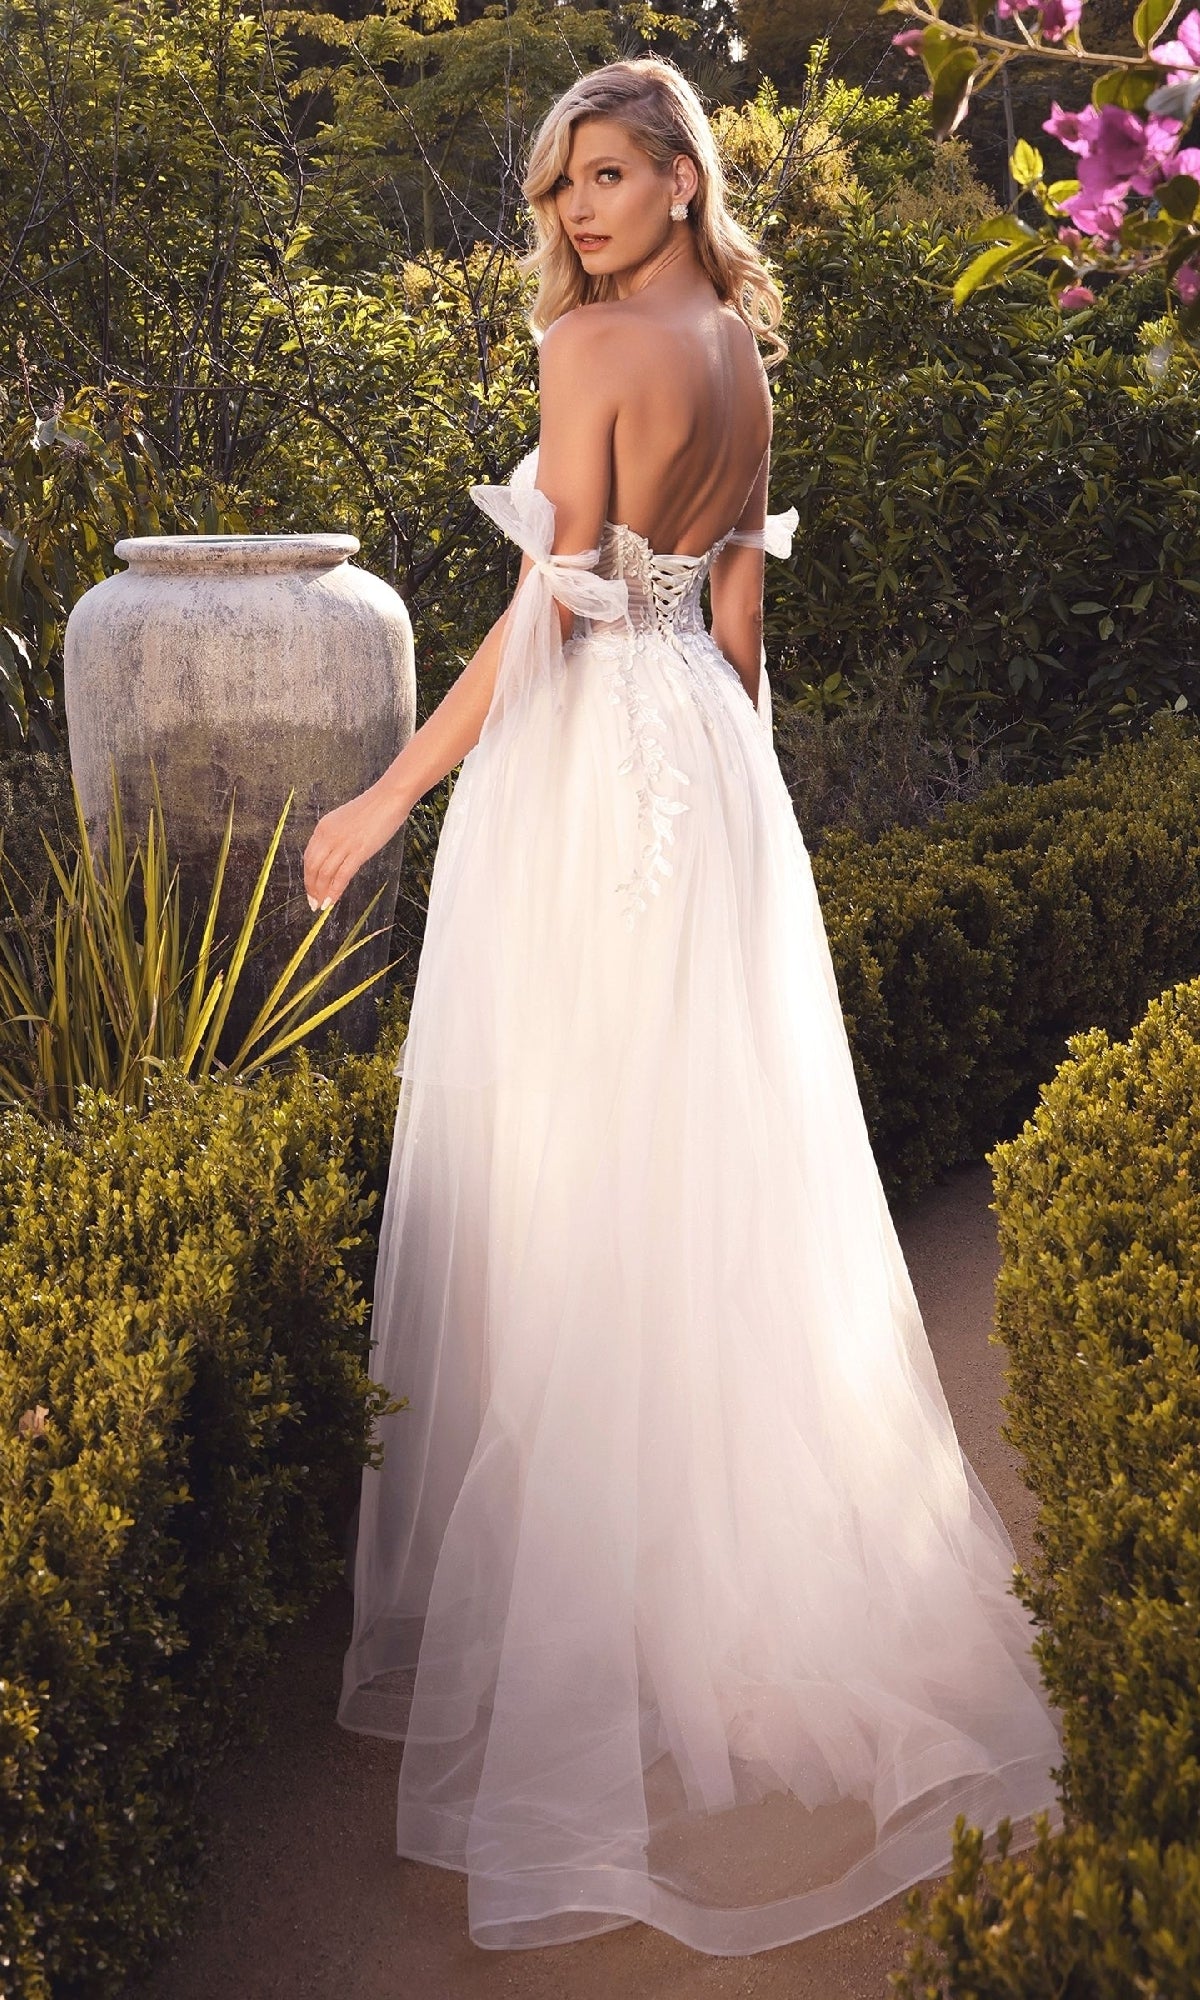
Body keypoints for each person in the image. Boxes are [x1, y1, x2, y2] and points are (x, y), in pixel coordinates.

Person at [302, 54, 1064, 1958]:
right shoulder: (738, 345)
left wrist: (390, 796)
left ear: (677, 180)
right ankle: (704, 1593)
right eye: (562, 181)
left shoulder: (592, 356)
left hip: (590, 770)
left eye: (610, 176)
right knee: (704, 1167)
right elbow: (736, 621)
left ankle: (603, 1627)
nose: (574, 210)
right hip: (712, 770)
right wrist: (754, 823)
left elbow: (544, 608)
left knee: (575, 1168)